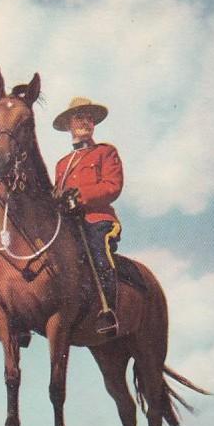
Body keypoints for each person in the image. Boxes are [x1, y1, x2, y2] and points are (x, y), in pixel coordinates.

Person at [53, 97, 124, 335]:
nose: (84, 122)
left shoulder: (105, 152)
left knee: (97, 251)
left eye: (88, 117)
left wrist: (80, 196)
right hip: (69, 226)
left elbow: (113, 186)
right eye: (78, 117)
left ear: (93, 124)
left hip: (98, 220)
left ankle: (108, 311)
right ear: (69, 125)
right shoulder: (62, 164)